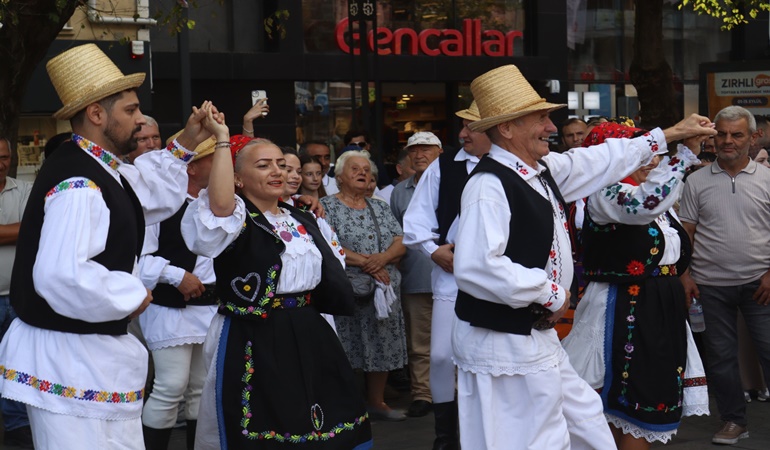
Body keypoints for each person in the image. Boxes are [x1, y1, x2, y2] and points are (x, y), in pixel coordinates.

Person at [451, 64, 716, 449]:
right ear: (507, 128)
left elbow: (597, 160)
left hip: (533, 336)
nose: (551, 127)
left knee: (588, 424)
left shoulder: (540, 171)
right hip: (504, 338)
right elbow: (477, 266)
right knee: (534, 438)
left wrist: (670, 135)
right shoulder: (489, 186)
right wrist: (549, 293)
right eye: (540, 118)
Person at [0, 43, 213, 449]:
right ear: (97, 114)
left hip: (83, 356)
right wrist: (132, 294)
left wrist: (187, 140)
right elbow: (63, 273)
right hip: (69, 358)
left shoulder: (101, 168)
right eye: (130, 111)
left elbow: (151, 193)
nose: (139, 119)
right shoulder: (78, 184)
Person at [181, 122, 372, 449]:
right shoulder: (234, 220)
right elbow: (222, 205)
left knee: (323, 418)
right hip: (255, 334)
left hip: (309, 329)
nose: (277, 172)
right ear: (237, 178)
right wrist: (224, 141)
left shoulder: (301, 217)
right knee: (268, 419)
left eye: (280, 165)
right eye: (263, 165)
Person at [561, 123, 710, 449]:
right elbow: (646, 202)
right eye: (639, 153)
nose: (650, 161)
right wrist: (684, 156)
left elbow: (656, 200)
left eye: (650, 154)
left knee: (640, 404)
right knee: (625, 407)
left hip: (657, 310)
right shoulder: (605, 194)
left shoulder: (651, 199)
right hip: (625, 309)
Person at [679, 105, 770, 446]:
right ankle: (734, 421)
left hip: (760, 283)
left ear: (753, 137)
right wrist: (685, 276)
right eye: (722, 134)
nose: (728, 141)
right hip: (709, 286)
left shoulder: (767, 179)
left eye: (737, 134)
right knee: (720, 358)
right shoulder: (696, 180)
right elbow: (686, 232)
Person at [402, 100, 490, 450]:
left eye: (471, 126)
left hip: (498, 277)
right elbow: (417, 219)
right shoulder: (446, 164)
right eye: (463, 125)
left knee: (485, 357)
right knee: (440, 355)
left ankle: (478, 431)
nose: (462, 133)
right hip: (451, 275)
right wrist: (433, 250)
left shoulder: (513, 165)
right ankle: (444, 435)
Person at [137, 134, 220, 450]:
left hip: (210, 307)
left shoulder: (218, 203)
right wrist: (175, 275)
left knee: (201, 388)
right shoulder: (159, 205)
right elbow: (137, 259)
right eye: (214, 159)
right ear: (192, 168)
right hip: (171, 308)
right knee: (170, 386)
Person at [320, 151, 408, 422]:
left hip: (383, 290)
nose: (363, 174)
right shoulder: (326, 206)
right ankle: (346, 405)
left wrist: (382, 259)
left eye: (367, 170)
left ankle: (377, 403)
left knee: (381, 342)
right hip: (348, 289)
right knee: (346, 344)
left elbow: (400, 242)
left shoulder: (379, 205)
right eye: (355, 169)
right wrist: (369, 263)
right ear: (339, 177)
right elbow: (326, 245)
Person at [390, 132, 443, 419]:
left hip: (453, 278)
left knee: (454, 339)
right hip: (417, 276)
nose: (419, 154)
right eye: (414, 150)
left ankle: (456, 392)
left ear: (440, 152)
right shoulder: (400, 191)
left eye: (426, 149)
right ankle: (423, 394)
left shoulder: (455, 182)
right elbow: (396, 235)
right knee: (420, 343)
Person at [0, 137, 33, 449]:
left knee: (15, 365)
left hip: (17, 294)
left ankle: (16, 426)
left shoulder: (23, 189)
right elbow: (19, 230)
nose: (1, 163)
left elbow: (30, 229)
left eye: (5, 157)